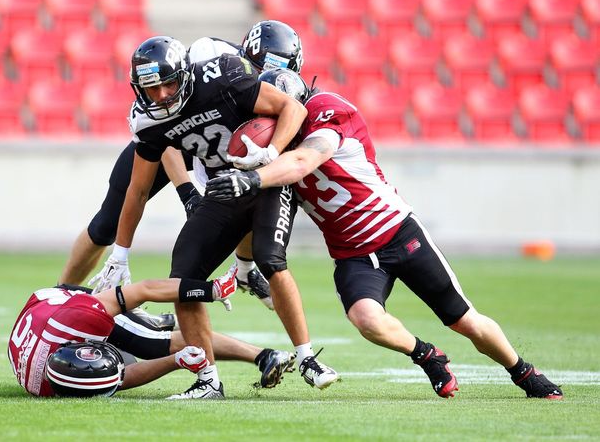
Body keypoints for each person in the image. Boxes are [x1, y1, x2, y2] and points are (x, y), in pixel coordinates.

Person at [206, 69, 563, 400]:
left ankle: (523, 372)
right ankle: (427, 357)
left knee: (463, 319)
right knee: (366, 319)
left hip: (396, 231)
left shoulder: (328, 111)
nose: (269, 122)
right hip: (352, 254)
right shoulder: (272, 152)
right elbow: (264, 221)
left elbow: (304, 161)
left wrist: (254, 175)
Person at [88, 35, 339, 399]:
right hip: (223, 187)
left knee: (271, 257)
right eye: (151, 88)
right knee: (184, 273)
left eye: (168, 84)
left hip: (266, 179)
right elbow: (137, 190)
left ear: (185, 75)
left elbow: (293, 110)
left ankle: (306, 358)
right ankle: (208, 380)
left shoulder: (221, 76)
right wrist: (120, 253)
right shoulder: (148, 121)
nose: (160, 95)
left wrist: (268, 156)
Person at [59, 20, 303, 311]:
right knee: (106, 224)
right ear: (246, 55)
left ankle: (245, 269)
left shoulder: (264, 90)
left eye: (275, 74)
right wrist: (187, 192)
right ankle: (59, 297)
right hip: (178, 139)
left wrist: (269, 155)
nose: (265, 78)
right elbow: (170, 126)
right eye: (260, 69)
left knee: (249, 188)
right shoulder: (215, 62)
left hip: (223, 140)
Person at [8, 266, 237, 397]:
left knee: (150, 342)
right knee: (122, 363)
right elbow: (120, 378)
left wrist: (211, 290)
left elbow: (144, 288)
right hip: (41, 322)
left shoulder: (80, 320)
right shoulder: (45, 387)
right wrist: (178, 360)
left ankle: (149, 320)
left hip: (61, 301)